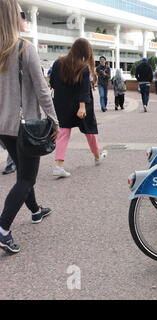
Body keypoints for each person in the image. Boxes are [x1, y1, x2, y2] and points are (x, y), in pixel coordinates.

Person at [0, 0, 60, 253]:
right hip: (25, 126)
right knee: (26, 177)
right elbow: (42, 89)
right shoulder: (25, 48)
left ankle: (35, 210)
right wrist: (54, 120)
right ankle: (2, 229)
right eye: (22, 14)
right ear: (14, 18)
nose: (25, 18)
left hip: (3, 127)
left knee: (24, 172)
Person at [50, 38, 108, 179]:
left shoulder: (58, 62)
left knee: (63, 133)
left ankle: (59, 165)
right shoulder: (83, 67)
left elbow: (52, 82)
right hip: (80, 105)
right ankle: (97, 156)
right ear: (85, 51)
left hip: (61, 103)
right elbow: (84, 89)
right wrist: (82, 106)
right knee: (89, 132)